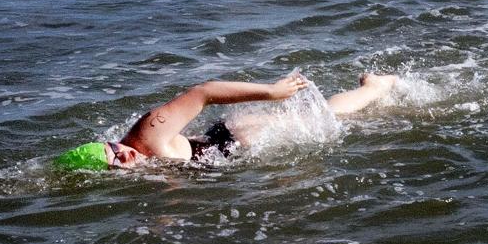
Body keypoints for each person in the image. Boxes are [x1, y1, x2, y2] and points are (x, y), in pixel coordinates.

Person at [54, 72, 399, 170]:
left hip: (235, 138)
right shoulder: (140, 168)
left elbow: (205, 92)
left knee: (324, 115)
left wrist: (272, 91)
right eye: (115, 161)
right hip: (222, 149)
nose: (123, 154)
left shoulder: (148, 133)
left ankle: (375, 87)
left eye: (113, 148)